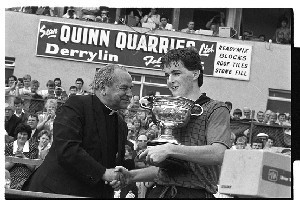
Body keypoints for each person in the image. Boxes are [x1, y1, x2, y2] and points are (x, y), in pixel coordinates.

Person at [112, 47, 231, 198]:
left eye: (176, 73)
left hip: (195, 195)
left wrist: (170, 149)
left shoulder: (216, 108)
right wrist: (131, 176)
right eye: (167, 75)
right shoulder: (167, 112)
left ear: (195, 74)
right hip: (161, 191)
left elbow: (219, 153)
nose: (170, 81)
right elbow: (168, 170)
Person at [22, 64, 133, 198]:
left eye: (130, 88)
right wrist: (104, 173)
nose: (130, 94)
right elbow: (67, 149)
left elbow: (113, 163)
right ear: (103, 88)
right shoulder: (77, 105)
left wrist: (118, 177)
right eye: (124, 88)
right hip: (55, 192)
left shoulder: (121, 124)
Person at [5, 123, 38, 190]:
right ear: (17, 134)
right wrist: (16, 158)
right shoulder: (9, 146)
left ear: (28, 136)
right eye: (20, 133)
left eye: (24, 134)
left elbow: (33, 168)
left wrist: (23, 157)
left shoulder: (33, 148)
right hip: (10, 175)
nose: (22, 136)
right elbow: (5, 167)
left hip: (27, 177)